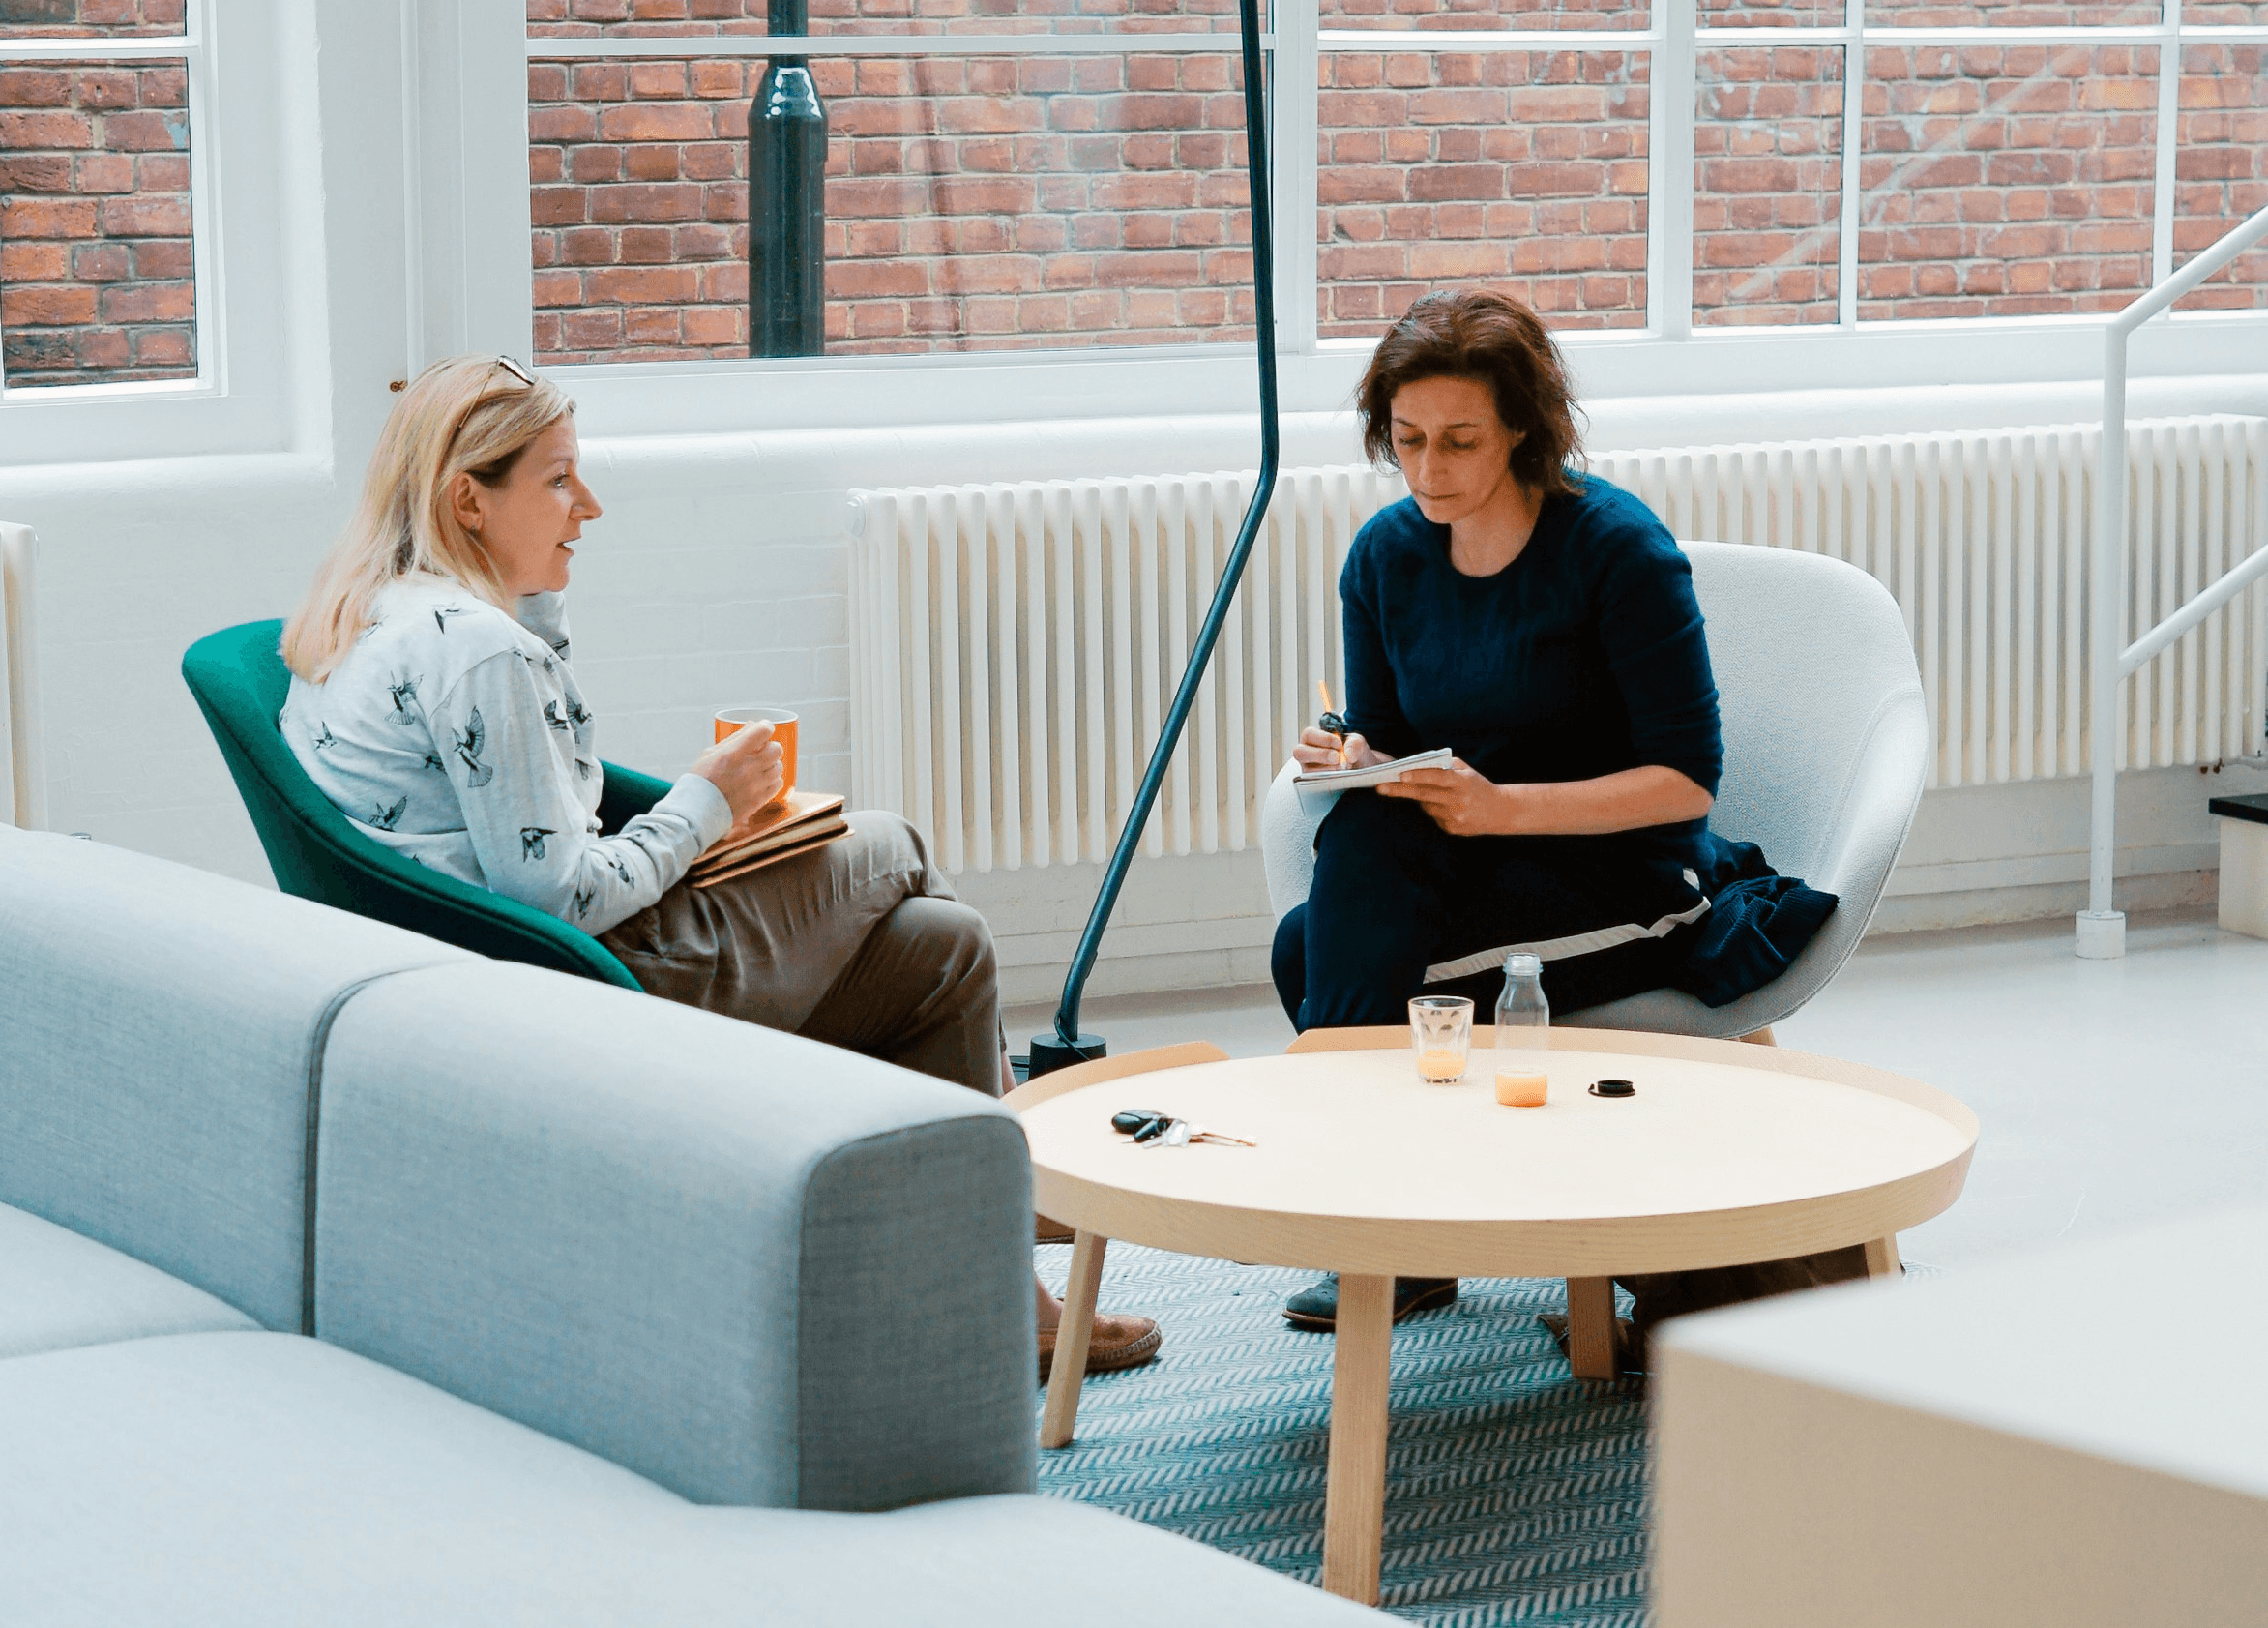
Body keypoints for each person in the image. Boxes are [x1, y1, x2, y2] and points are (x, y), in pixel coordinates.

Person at [278, 354, 1158, 1378]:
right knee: (890, 841)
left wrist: (548, 624)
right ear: (468, 498)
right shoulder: (481, 655)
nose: (589, 505)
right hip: (591, 987)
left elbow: (536, 812)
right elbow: (554, 892)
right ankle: (1022, 1188)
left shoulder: (389, 613)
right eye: (559, 479)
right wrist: (706, 801)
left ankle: (997, 1295)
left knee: (943, 948)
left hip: (504, 977)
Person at [1268, 293, 1864, 1346]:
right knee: (1310, 929)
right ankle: (1399, 1215)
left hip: (1626, 875)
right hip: (1474, 863)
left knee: (1316, 951)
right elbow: (1394, 741)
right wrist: (1352, 759)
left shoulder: (1612, 550)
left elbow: (1683, 784)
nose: (1427, 469)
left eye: (1459, 440)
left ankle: (1375, 1212)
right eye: (1405, 441)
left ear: (1521, 431)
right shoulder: (1385, 557)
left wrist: (1500, 809)